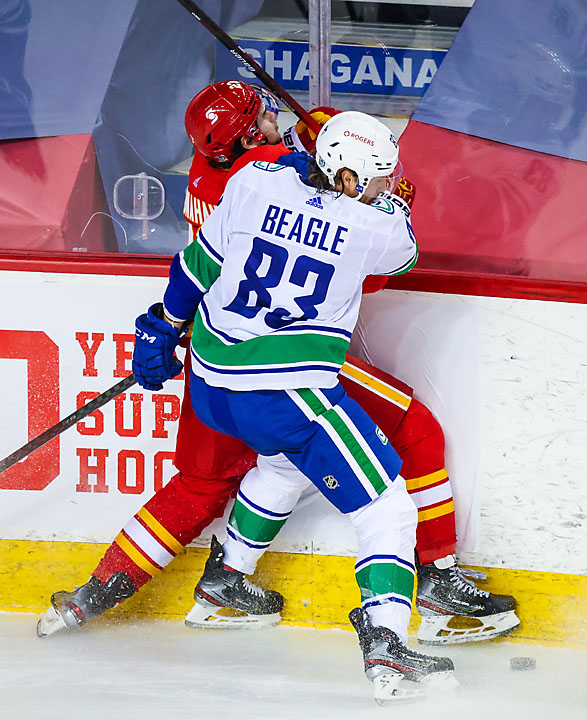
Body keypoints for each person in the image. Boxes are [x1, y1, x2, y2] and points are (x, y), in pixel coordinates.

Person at [38, 81, 517, 646]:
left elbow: (207, 254)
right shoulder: (284, 173)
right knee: (413, 431)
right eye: (263, 117)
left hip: (212, 356)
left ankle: (134, 588)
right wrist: (340, 151)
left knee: (208, 481)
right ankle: (432, 581)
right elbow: (381, 260)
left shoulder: (233, 174)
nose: (272, 120)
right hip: (280, 361)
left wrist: (162, 326)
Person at [132, 110, 459, 701]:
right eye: (381, 177)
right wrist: (394, 204)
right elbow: (401, 254)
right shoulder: (373, 226)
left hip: (211, 386)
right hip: (284, 391)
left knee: (281, 465)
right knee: (387, 509)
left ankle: (225, 583)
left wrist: (162, 324)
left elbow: (195, 268)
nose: (387, 184)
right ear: (355, 181)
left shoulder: (255, 180)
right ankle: (387, 647)